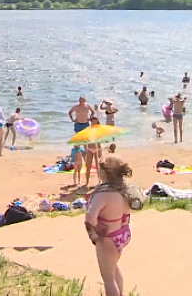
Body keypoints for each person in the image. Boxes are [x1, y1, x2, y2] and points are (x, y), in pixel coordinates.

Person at [85, 156, 136, 296]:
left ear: (103, 173)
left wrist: (97, 228)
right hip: (122, 234)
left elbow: (90, 216)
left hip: (108, 238)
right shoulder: (124, 191)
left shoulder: (103, 194)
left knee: (108, 279)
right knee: (113, 268)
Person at [83, 116, 103, 189]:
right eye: (92, 122)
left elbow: (99, 141)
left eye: (95, 122)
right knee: (88, 166)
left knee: (98, 166)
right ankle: (87, 182)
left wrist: (100, 151)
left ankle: (100, 181)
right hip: (90, 148)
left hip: (97, 148)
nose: (93, 123)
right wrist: (86, 149)